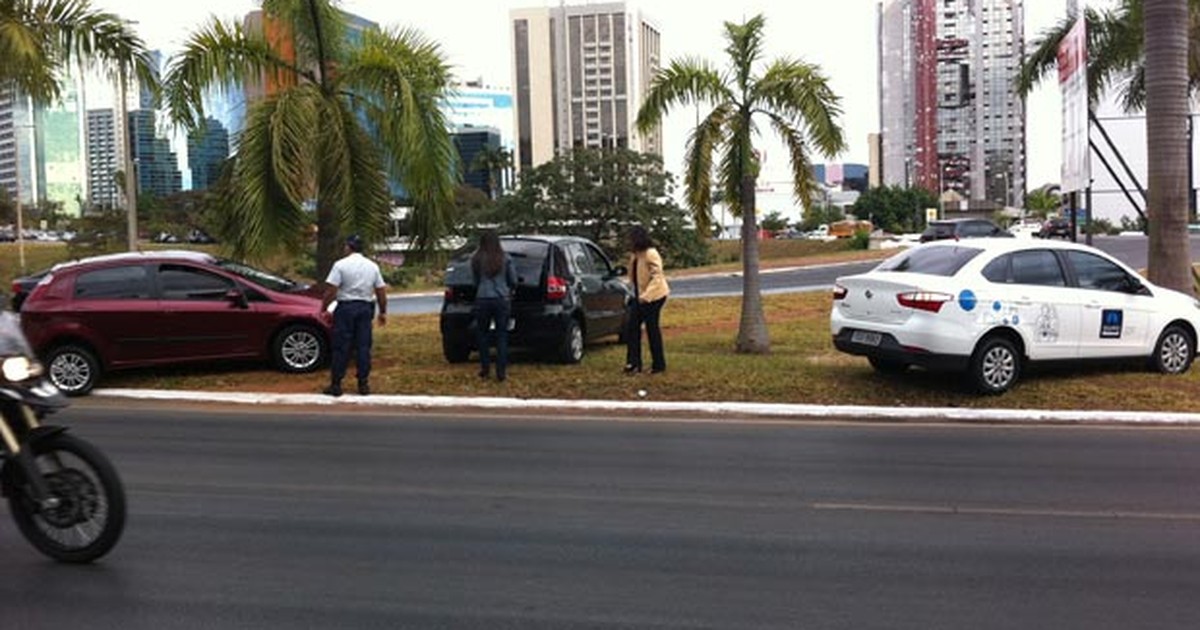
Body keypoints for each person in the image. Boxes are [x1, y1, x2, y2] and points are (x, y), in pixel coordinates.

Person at [320, 234, 387, 396]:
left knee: (341, 346)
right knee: (363, 346)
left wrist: (324, 307)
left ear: (348, 247)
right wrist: (383, 311)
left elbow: (332, 290)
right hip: (365, 308)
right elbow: (380, 291)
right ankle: (363, 384)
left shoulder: (340, 265)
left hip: (346, 308)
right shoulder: (372, 266)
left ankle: (336, 384)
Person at [471, 230, 518, 382]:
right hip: (501, 299)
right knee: (501, 335)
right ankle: (501, 372)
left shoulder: (476, 258)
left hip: (483, 298)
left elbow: (474, 281)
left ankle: (485, 369)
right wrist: (509, 290)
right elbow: (513, 280)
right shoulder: (505, 258)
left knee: (483, 335)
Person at [623, 225, 669, 374]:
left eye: (632, 238)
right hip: (640, 296)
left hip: (655, 296)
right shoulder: (636, 254)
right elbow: (633, 274)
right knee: (632, 328)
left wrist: (646, 296)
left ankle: (659, 365)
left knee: (652, 329)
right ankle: (633, 364)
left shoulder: (650, 253)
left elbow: (657, 276)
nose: (630, 241)